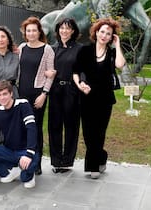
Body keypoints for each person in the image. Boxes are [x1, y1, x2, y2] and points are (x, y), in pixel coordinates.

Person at [73, 18, 126, 179]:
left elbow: (120, 65)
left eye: (108, 34)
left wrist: (117, 45)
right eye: (102, 31)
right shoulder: (85, 51)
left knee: (99, 133)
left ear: (111, 37)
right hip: (87, 97)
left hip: (105, 99)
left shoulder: (111, 52)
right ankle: (101, 157)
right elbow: (75, 72)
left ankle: (93, 167)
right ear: (96, 32)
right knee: (89, 134)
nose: (104, 35)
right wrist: (80, 85)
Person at [0, 80, 39, 188]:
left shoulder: (23, 104)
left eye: (5, 94)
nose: (2, 98)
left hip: (25, 149)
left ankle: (28, 174)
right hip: (9, 150)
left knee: (26, 179)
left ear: (11, 93)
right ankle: (9, 172)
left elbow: (32, 129)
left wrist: (29, 154)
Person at [18, 16, 56, 175]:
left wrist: (44, 94)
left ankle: (37, 162)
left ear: (39, 32)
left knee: (35, 129)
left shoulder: (47, 49)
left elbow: (50, 74)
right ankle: (22, 160)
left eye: (34, 30)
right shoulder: (21, 48)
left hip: (37, 94)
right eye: (29, 31)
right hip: (21, 93)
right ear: (25, 33)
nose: (31, 33)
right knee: (22, 128)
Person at [48, 18, 82, 174]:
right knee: (54, 126)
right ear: (58, 30)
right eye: (62, 28)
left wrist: (82, 84)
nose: (64, 31)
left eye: (68, 28)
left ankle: (67, 161)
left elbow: (83, 70)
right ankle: (56, 161)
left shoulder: (80, 49)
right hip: (55, 91)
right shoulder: (51, 49)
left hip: (72, 91)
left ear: (73, 31)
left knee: (71, 127)